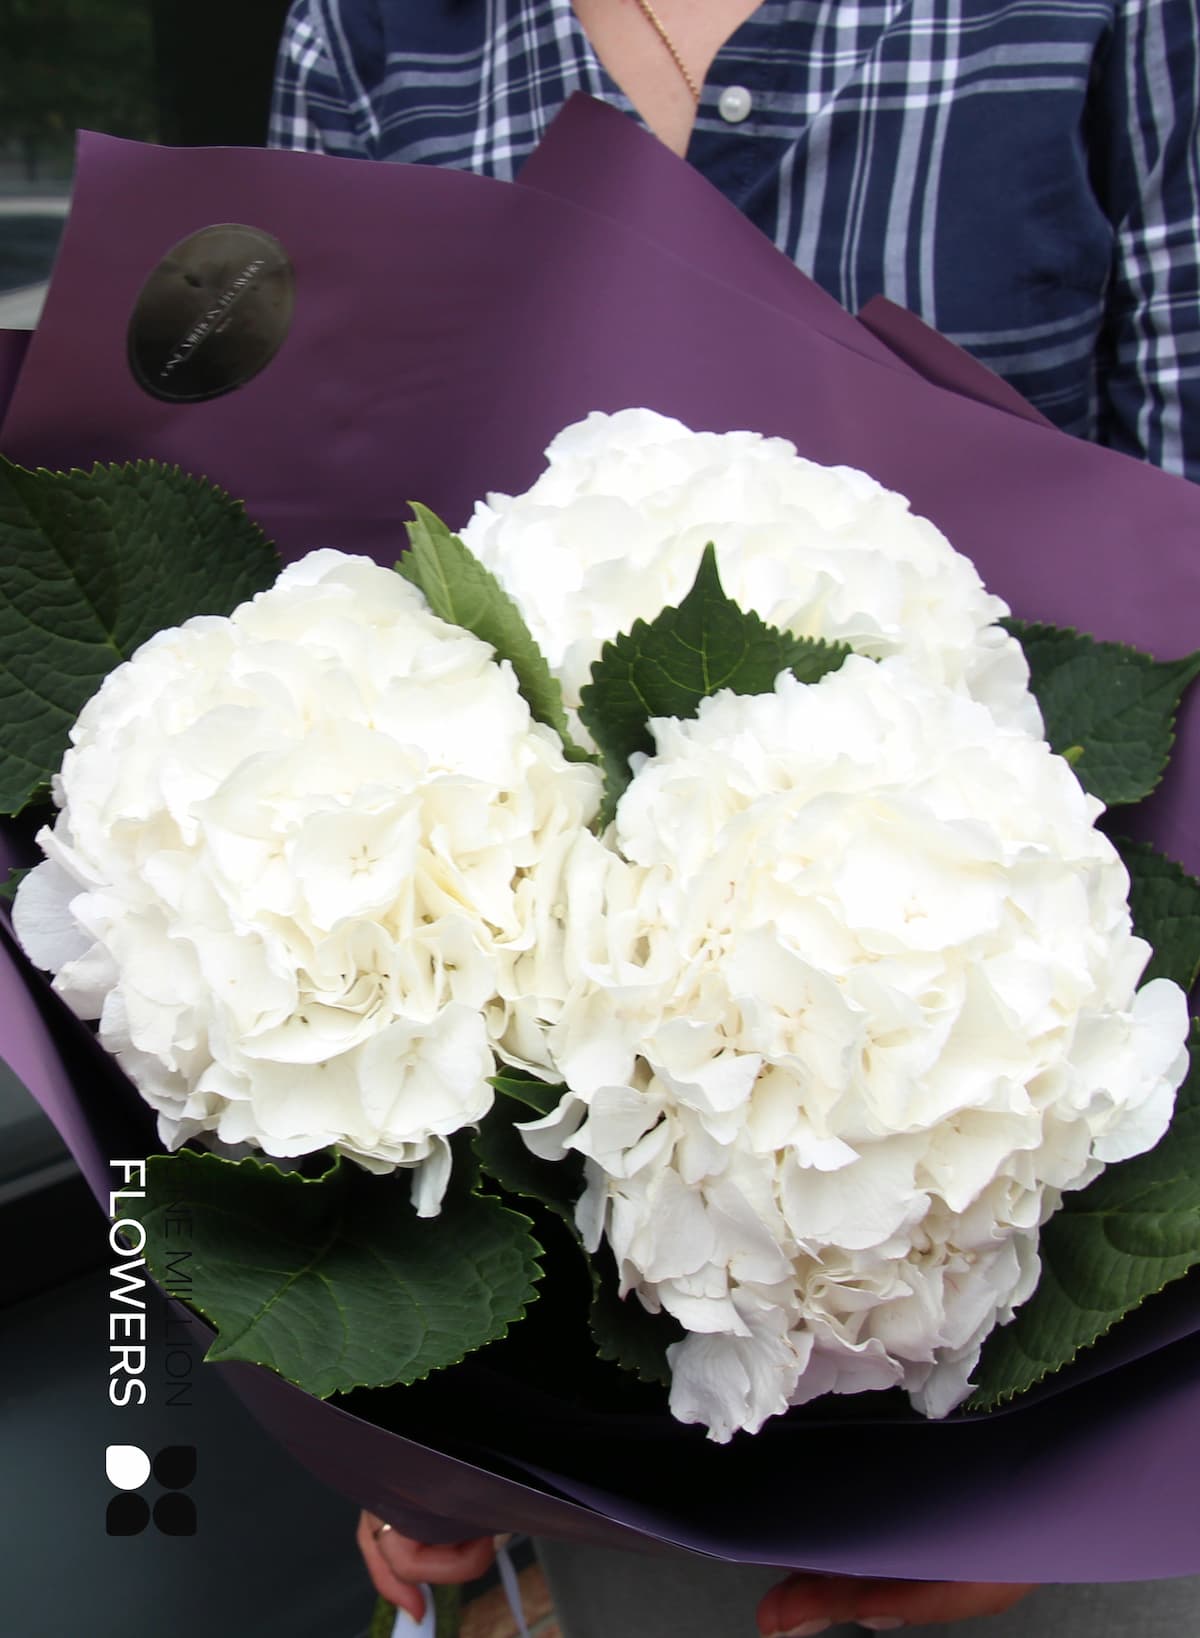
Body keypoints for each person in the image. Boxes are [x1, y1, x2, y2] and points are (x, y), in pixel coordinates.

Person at [268, 4, 1200, 1632]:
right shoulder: (369, 32)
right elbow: (316, 649)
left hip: (1069, 1355)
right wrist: (379, 1379)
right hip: (570, 1402)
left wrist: (1106, 1459)